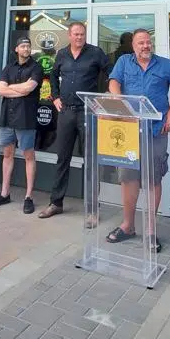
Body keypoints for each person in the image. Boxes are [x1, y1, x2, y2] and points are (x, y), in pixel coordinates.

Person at [106, 29, 170, 252]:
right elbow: (114, 81)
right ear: (133, 46)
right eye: (141, 43)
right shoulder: (124, 62)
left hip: (156, 129)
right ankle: (128, 225)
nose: (145, 46)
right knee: (128, 178)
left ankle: (151, 231)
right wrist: (117, 97)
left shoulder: (165, 65)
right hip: (128, 129)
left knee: (152, 180)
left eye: (148, 42)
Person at [39, 22, 110, 219]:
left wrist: (105, 94)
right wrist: (55, 97)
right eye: (76, 34)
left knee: (91, 160)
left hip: (88, 112)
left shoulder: (95, 53)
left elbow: (111, 72)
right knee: (62, 158)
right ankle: (56, 203)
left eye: (82, 34)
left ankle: (92, 210)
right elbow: (52, 75)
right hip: (66, 112)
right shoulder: (62, 54)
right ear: (69, 36)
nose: (79, 37)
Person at [0, 36, 44, 214]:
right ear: (17, 49)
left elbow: (30, 88)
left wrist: (11, 88)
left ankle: (28, 197)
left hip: (25, 118)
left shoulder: (36, 67)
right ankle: (5, 193)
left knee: (29, 156)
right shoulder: (8, 68)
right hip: (7, 118)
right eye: (23, 46)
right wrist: (19, 89)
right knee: (8, 154)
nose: (26, 49)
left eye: (28, 46)